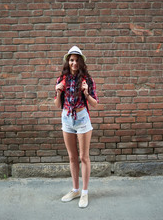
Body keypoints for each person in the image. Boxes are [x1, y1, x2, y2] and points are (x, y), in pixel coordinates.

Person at [54, 46, 99, 208]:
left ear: (81, 62)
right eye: (71, 60)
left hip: (82, 119)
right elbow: (57, 104)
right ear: (68, 62)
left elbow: (95, 104)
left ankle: (85, 193)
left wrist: (86, 93)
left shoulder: (87, 79)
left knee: (84, 157)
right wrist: (58, 92)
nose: (74, 63)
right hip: (66, 119)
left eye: (76, 60)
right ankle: (75, 190)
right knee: (72, 157)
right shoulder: (61, 79)